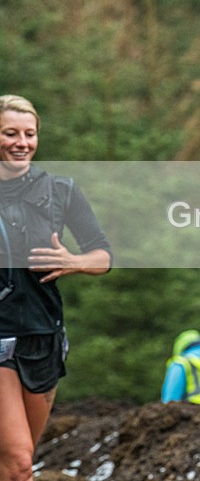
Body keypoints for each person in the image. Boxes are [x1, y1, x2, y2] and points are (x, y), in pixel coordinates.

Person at [0, 94, 112, 481]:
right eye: (10, 133)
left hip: (44, 334)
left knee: (13, 465)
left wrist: (74, 261)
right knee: (19, 463)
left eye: (29, 134)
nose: (21, 142)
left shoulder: (60, 191)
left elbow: (103, 254)